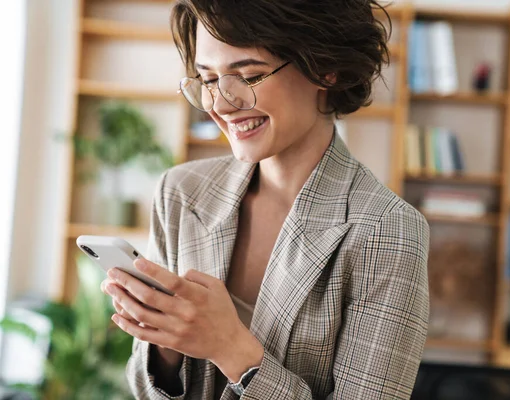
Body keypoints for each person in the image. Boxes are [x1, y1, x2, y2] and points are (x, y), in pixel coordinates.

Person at [101, 0, 430, 399]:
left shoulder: (387, 230)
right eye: (208, 80)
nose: (221, 105)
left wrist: (230, 348)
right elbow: (144, 388)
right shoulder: (182, 193)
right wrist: (167, 345)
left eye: (250, 76)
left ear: (325, 67)